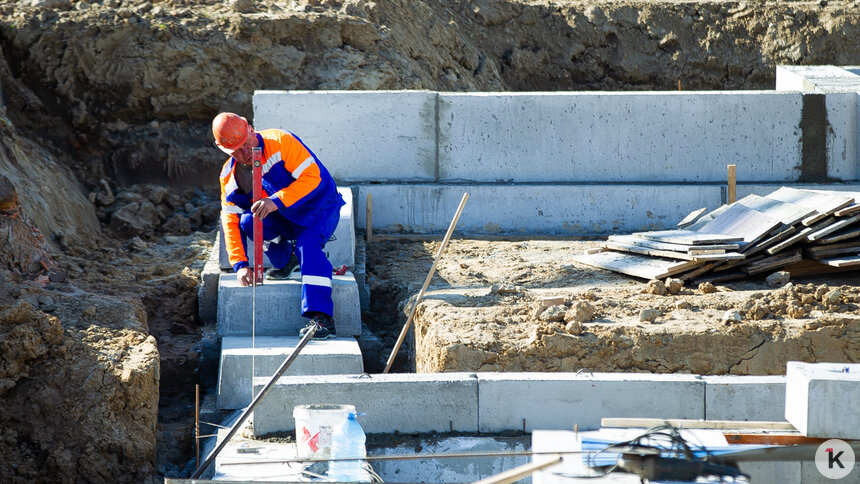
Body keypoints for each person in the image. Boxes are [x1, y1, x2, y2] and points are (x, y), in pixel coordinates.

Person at [212, 112, 344, 339]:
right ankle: (287, 256)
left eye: (246, 144)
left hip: (318, 207)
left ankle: (322, 318)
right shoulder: (229, 176)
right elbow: (230, 221)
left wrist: (276, 201)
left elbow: (313, 177)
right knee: (248, 222)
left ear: (251, 129)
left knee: (308, 245)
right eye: (236, 151)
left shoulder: (281, 142)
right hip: (284, 213)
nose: (244, 153)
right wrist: (240, 265)